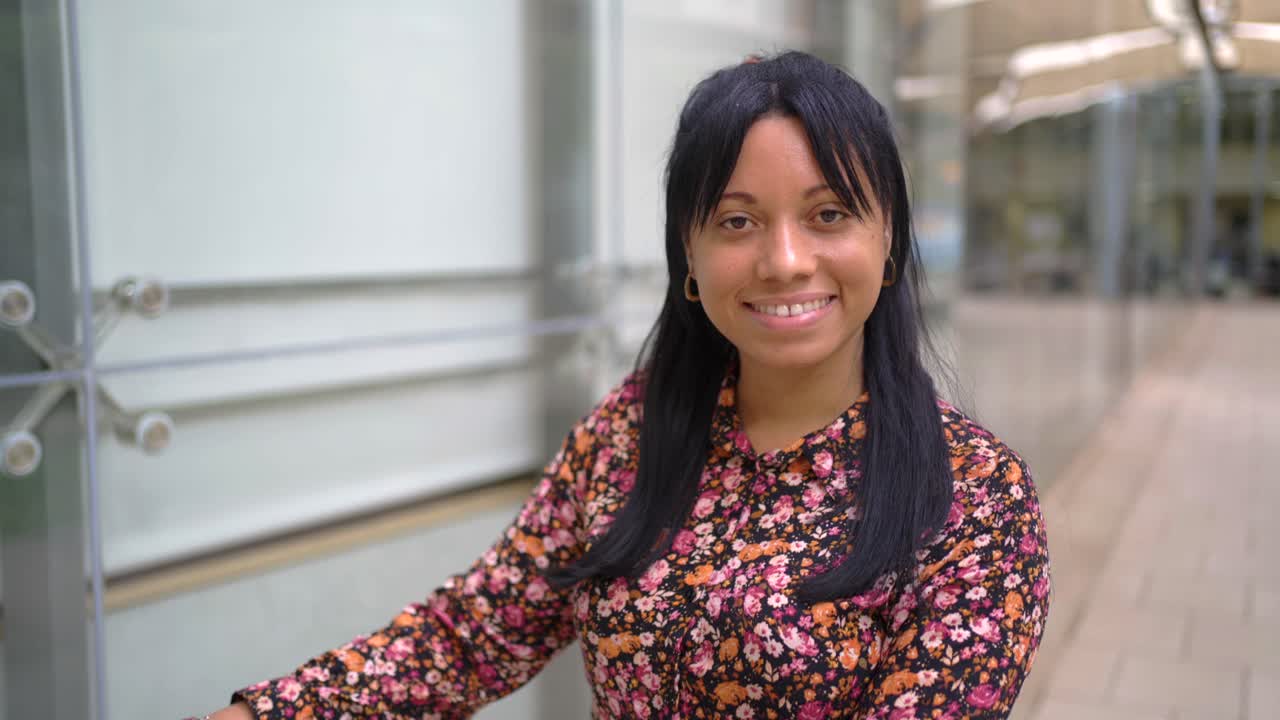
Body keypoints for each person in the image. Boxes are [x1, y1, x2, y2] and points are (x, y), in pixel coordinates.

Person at [191, 50, 1050, 720]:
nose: (785, 261)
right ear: (690, 253)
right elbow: (471, 637)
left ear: (888, 239)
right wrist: (265, 710)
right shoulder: (634, 433)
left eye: (829, 215)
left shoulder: (975, 497)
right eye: (738, 221)